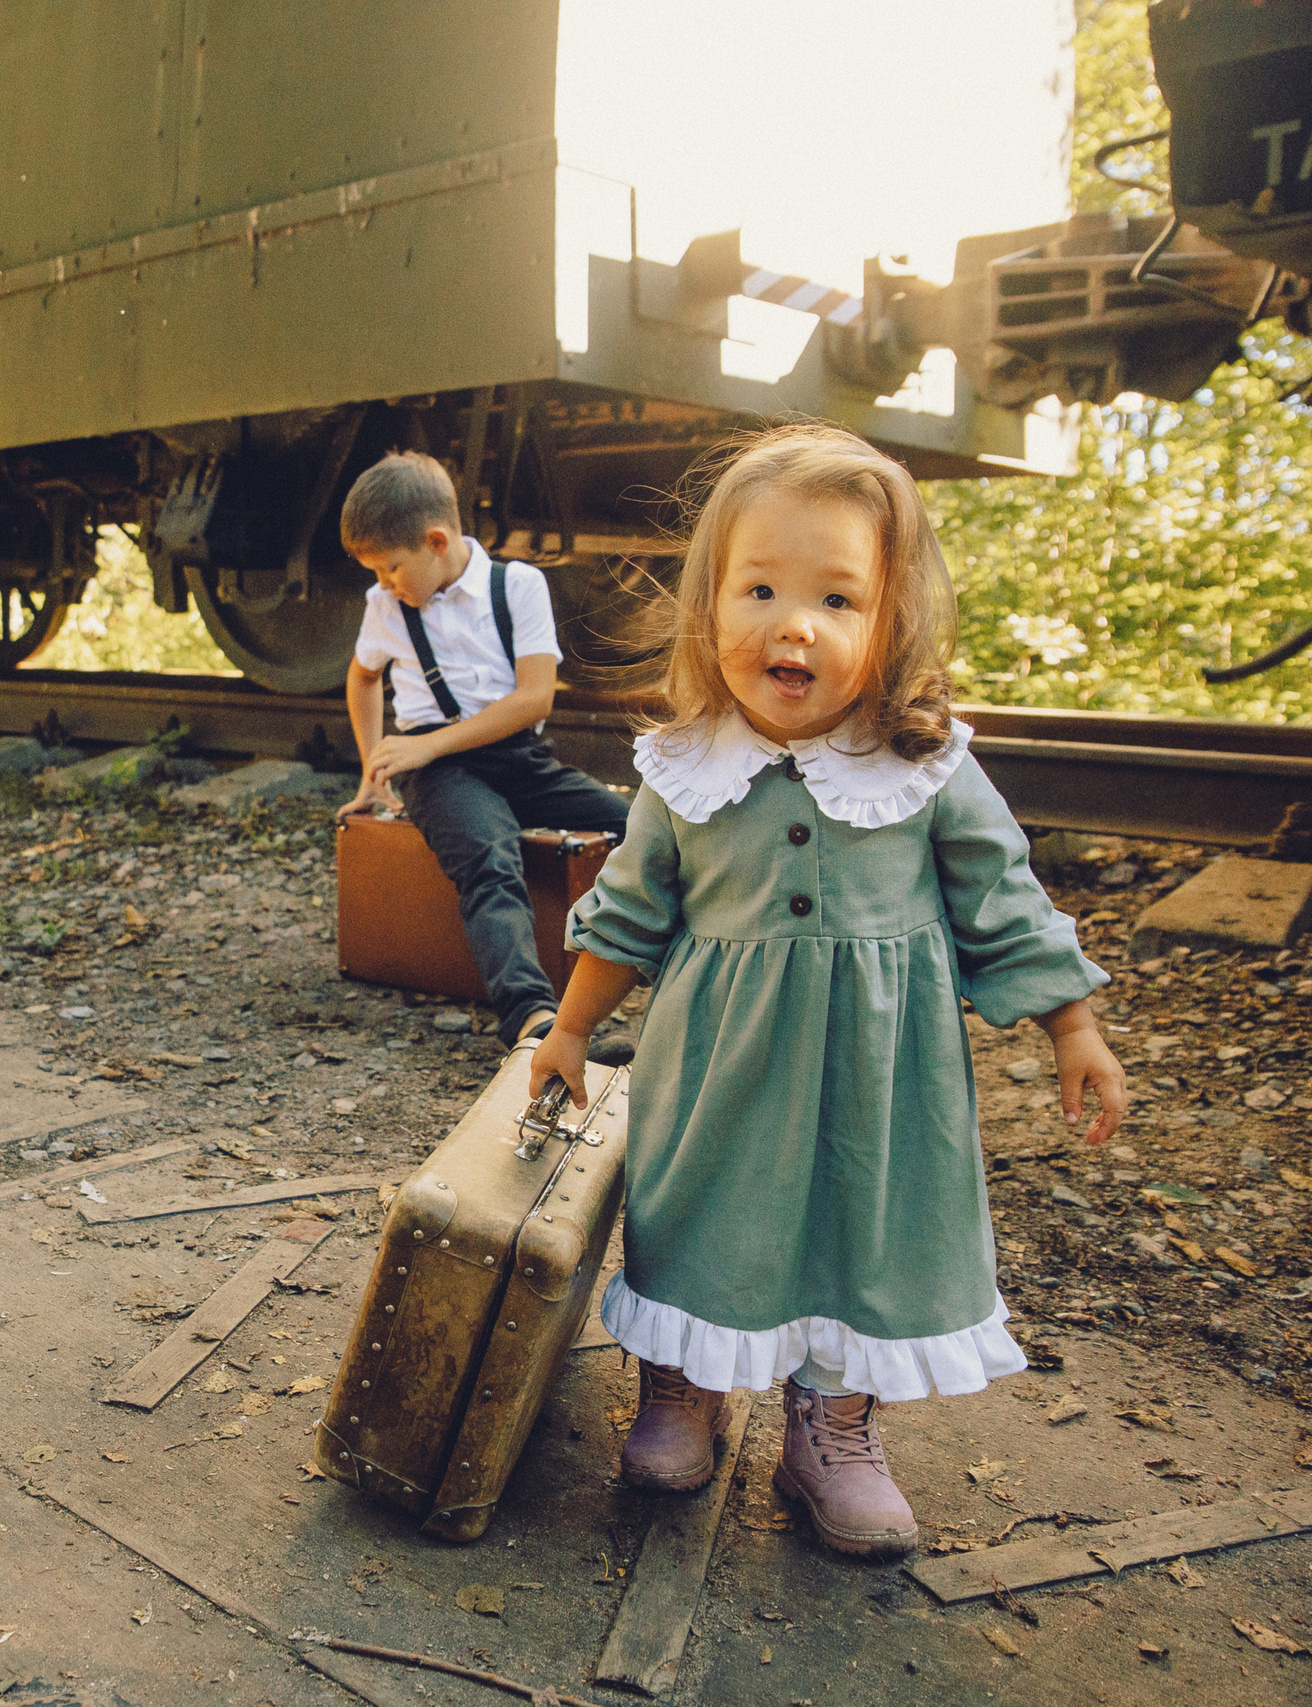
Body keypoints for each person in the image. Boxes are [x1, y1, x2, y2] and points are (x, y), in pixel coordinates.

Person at [527, 423, 1126, 1557]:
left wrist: (1073, 1025)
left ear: (890, 621)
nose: (792, 622)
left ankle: (834, 1430)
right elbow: (628, 911)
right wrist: (568, 1030)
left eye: (837, 600)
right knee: (697, 1208)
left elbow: (1002, 897)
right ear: (709, 606)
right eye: (759, 588)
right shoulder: (686, 767)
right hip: (719, 1065)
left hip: (880, 1077)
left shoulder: (922, 762)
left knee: (869, 1229)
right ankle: (680, 1391)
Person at [336, 450, 632, 1046]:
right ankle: (533, 1018)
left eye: (391, 568)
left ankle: (674, 962)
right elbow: (363, 677)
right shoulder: (385, 607)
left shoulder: (518, 585)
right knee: (491, 862)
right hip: (440, 774)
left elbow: (534, 699)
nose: (383, 584)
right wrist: (375, 771)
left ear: (437, 540)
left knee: (636, 825)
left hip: (516, 757)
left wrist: (426, 746)